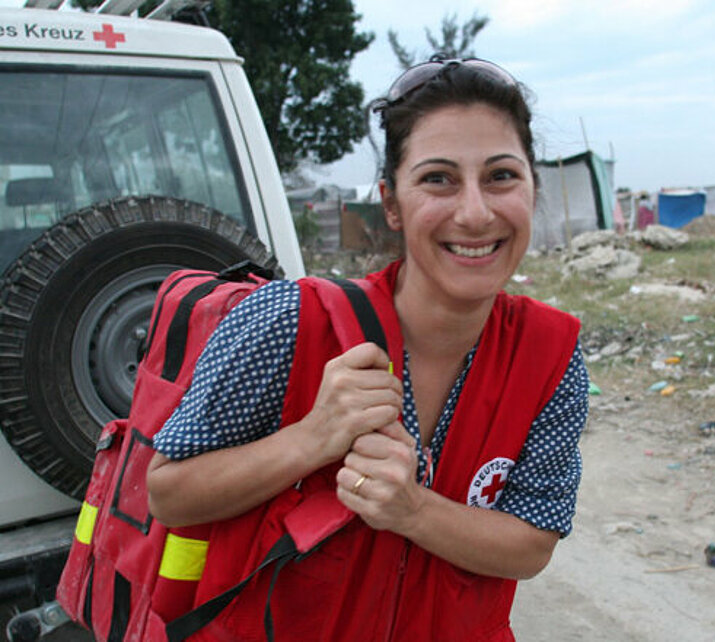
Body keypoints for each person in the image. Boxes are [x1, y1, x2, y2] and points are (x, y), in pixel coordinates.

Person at [147, 57, 589, 641]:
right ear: (391, 202)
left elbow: (532, 543)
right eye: (438, 179)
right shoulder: (289, 322)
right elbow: (169, 494)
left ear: (532, 188)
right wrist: (312, 437)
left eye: (501, 176)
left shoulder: (552, 357)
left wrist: (412, 511)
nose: (476, 212)